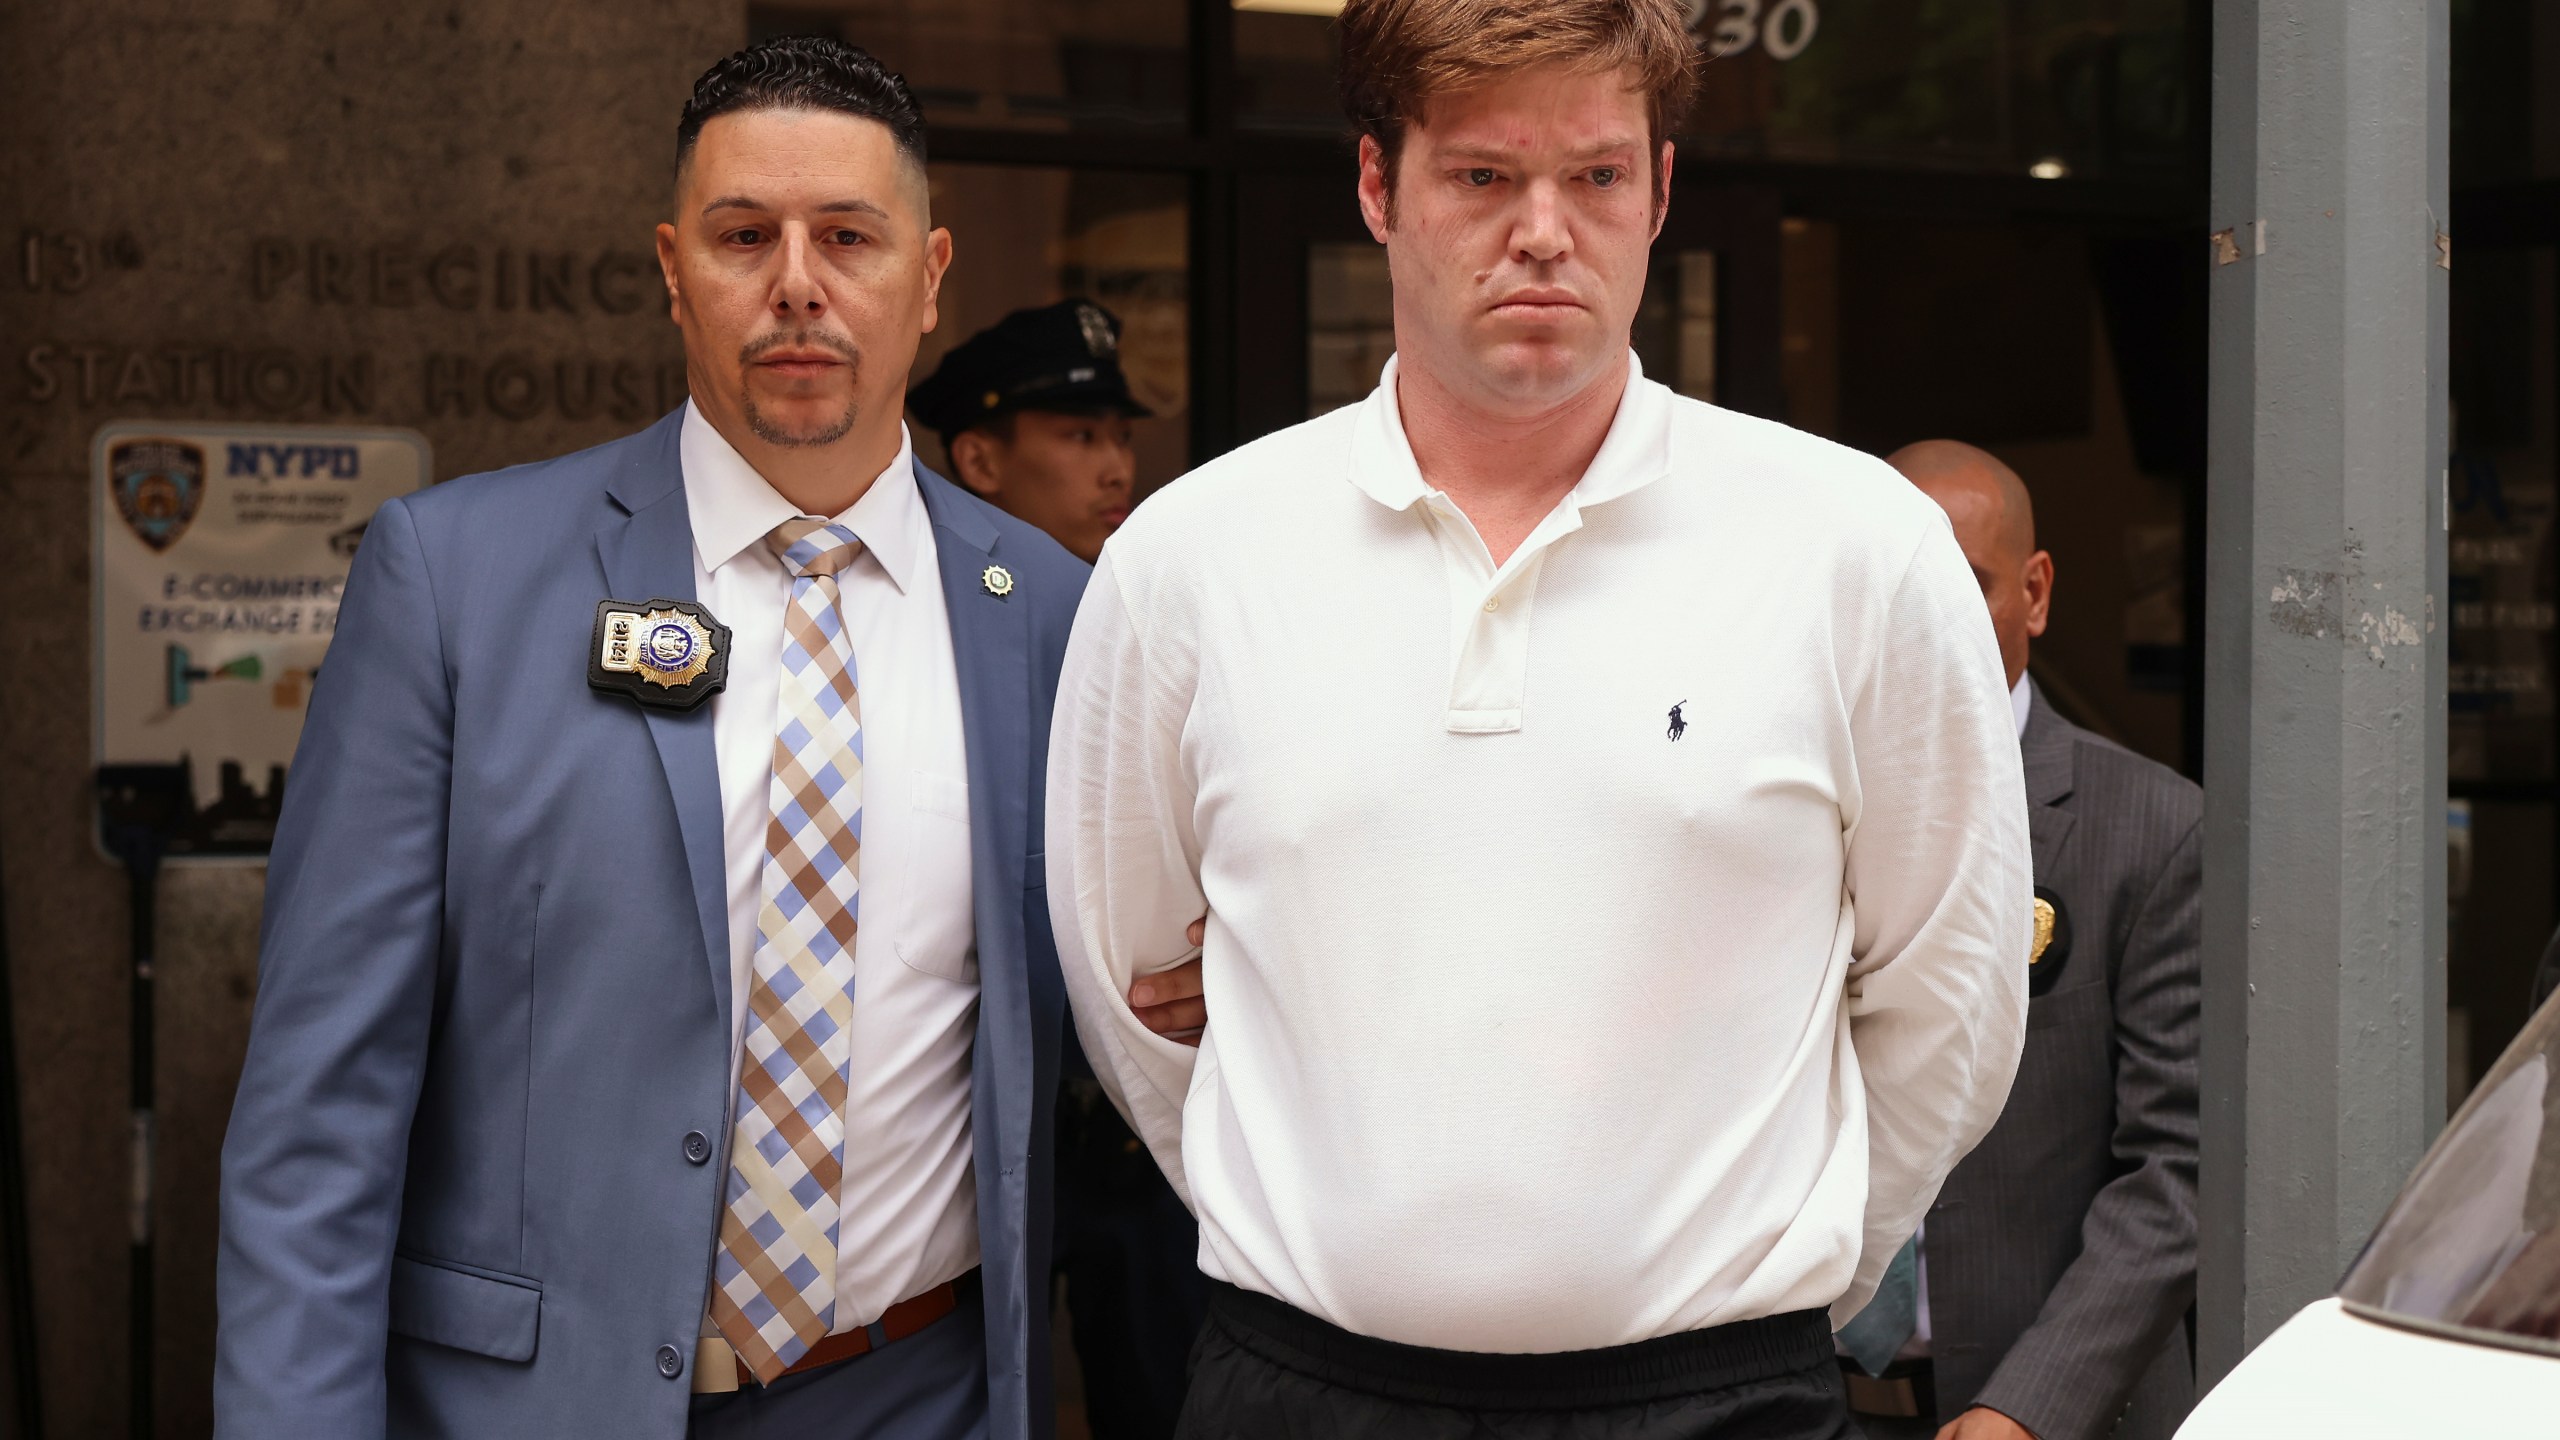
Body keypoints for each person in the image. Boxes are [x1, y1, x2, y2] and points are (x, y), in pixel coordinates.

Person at [1043, 0, 2033, 1434]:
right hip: (1301, 1392)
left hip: (1715, 1399)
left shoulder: (1857, 550)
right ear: (1378, 185)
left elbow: (1952, 995)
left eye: (1597, 175)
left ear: (1661, 190)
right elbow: (1134, 990)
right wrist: (1322, 1237)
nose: (1544, 232)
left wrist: (1775, 1278)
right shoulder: (1187, 564)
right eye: (1483, 175)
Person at [214, 38, 1091, 1439]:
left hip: (914, 1396)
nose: (796, 282)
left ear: (929, 277)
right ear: (674, 269)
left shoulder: (1051, 612)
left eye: (846, 236)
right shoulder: (457, 580)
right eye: (745, 236)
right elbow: (318, 1116)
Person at [1840, 440, 2201, 1440]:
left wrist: (2028, 1407)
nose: (1926, 622)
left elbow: (2180, 1167)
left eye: (1967, 585)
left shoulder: (2152, 832)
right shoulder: (1781, 813)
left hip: (2047, 1415)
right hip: (1803, 1407)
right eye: (1895, 590)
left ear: (2035, 594)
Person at [912, 300, 1208, 1439]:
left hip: (1140, 1121)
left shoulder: (1166, 610)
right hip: (979, 1117)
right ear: (981, 458)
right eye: (1078, 437)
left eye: (1120, 437)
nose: (1114, 465)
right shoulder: (911, 624)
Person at [909, 299, 1148, 565]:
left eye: (1123, 438)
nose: (1120, 475)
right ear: (979, 463)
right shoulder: (937, 587)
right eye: (1082, 436)